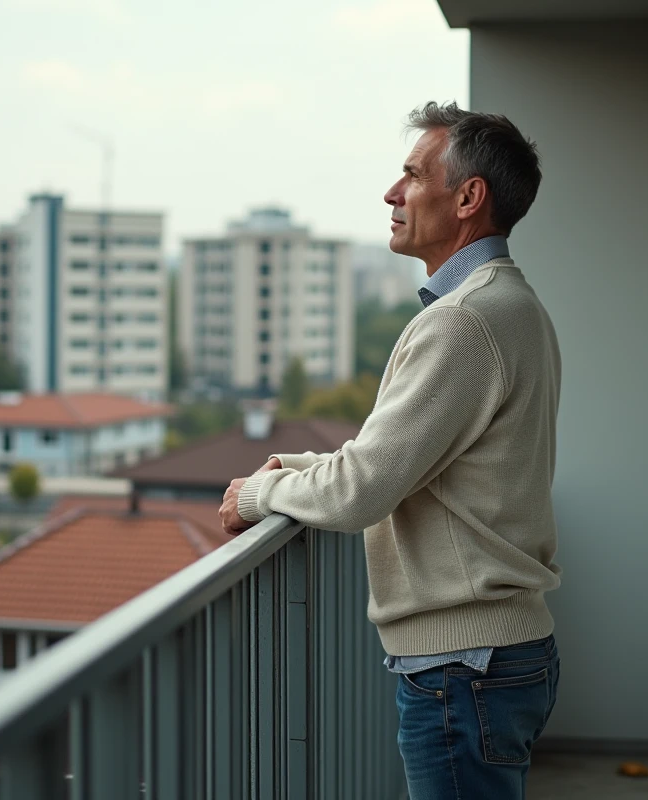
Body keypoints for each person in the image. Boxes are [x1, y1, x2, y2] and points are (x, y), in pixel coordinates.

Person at [218, 101, 562, 799]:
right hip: (491, 658)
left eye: (411, 175)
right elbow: (411, 461)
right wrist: (297, 468)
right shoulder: (509, 305)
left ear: (468, 198)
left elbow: (365, 489)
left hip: (463, 668)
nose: (391, 193)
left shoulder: (464, 321)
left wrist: (257, 495)